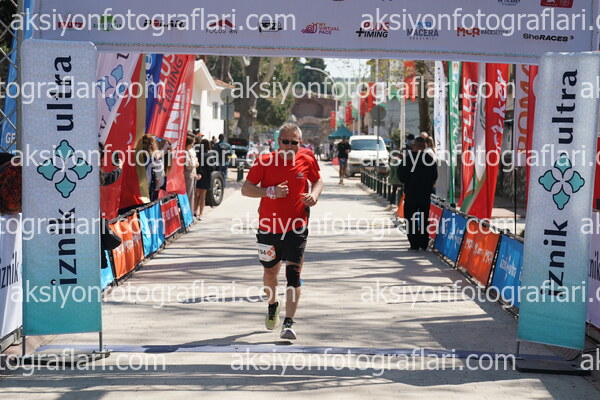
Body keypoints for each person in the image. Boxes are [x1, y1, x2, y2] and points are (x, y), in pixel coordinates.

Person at [241, 123, 323, 340]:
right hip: (268, 228)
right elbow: (246, 189)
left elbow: (317, 180)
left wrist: (314, 195)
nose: (289, 146)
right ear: (279, 142)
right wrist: (270, 191)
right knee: (270, 273)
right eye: (285, 142)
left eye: (294, 143)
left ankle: (289, 322)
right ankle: (272, 304)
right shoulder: (265, 161)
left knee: (293, 274)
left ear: (300, 143)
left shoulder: (307, 158)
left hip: (297, 227)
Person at [398, 137, 437, 251]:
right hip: (425, 194)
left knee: (410, 219)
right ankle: (423, 243)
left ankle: (414, 244)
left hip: (411, 194)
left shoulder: (408, 159)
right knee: (424, 219)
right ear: (425, 146)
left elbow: (401, 176)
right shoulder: (429, 159)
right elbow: (434, 176)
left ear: (414, 146)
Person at [141, 134, 167, 202]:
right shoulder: (153, 157)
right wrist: (158, 178)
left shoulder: (139, 154)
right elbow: (159, 168)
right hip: (149, 183)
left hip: (139, 183)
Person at [194, 138, 212, 220]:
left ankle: (194, 211)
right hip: (206, 177)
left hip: (198, 175)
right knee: (202, 196)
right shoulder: (209, 155)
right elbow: (213, 167)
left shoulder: (197, 154)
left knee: (196, 195)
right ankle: (200, 214)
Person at [184, 134, 200, 211]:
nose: (194, 143)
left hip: (192, 174)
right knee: (189, 195)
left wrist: (195, 163)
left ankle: (191, 211)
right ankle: (188, 212)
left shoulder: (191, 151)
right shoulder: (185, 152)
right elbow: (188, 165)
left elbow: (196, 162)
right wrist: (195, 163)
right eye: (193, 142)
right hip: (188, 175)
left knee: (192, 194)